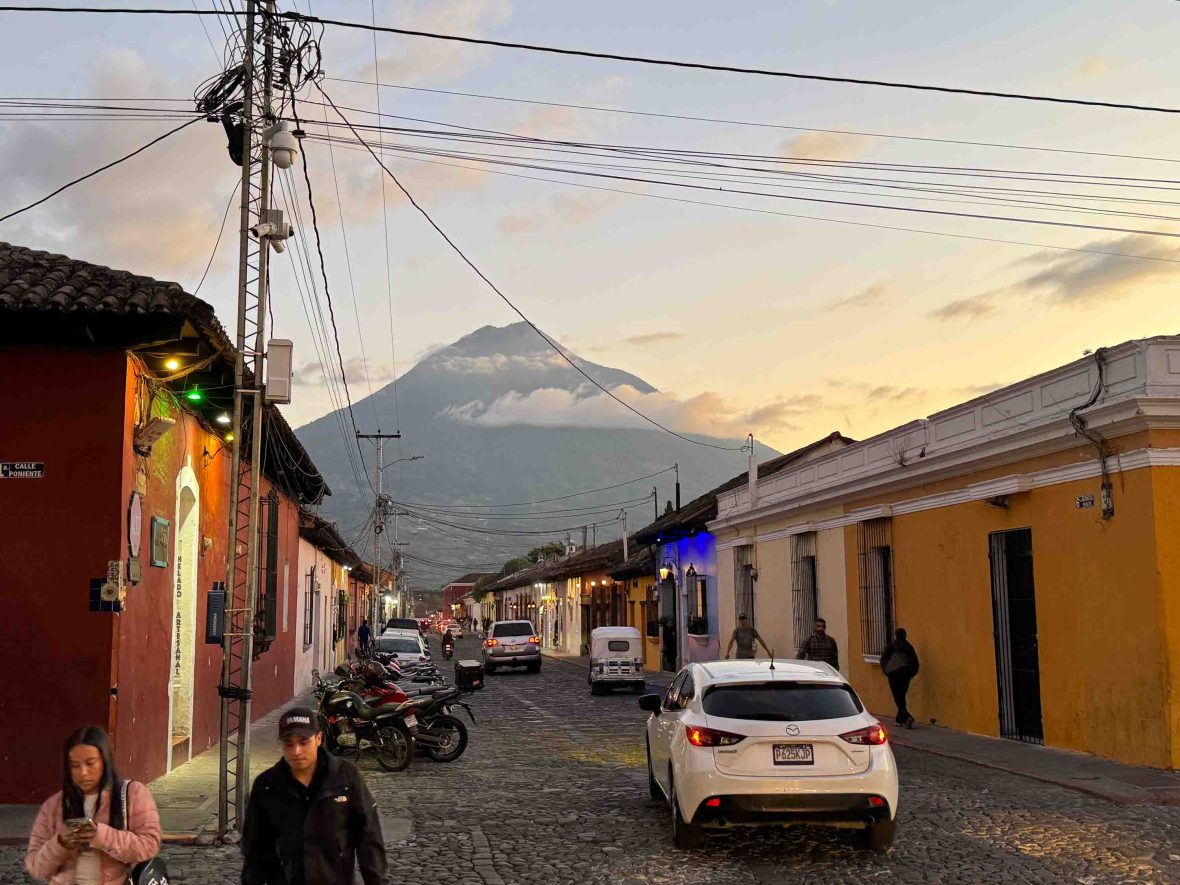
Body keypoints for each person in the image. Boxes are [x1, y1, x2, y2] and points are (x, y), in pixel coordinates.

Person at [242, 706, 386, 885]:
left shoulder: (345, 776)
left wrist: (376, 880)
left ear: (318, 739)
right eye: (288, 743)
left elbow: (368, 835)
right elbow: (255, 847)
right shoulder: (267, 786)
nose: (296, 751)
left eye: (303, 742)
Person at [26, 725, 161, 884]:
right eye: (75, 766)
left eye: (90, 763)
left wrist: (101, 836)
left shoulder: (133, 794)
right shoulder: (54, 805)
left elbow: (149, 845)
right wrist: (60, 844)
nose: (83, 772)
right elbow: (36, 868)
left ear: (104, 761)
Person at [880, 627, 920, 728]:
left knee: (898, 698)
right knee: (901, 697)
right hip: (905, 677)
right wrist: (910, 674)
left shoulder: (891, 647)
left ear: (896, 635)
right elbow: (915, 664)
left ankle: (906, 717)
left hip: (893, 676)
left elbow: (883, 659)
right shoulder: (909, 647)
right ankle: (899, 719)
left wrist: (887, 671)